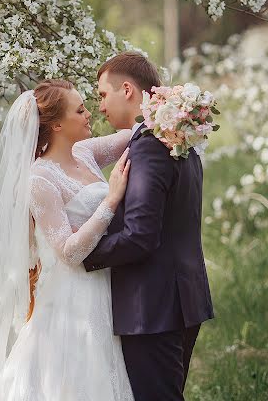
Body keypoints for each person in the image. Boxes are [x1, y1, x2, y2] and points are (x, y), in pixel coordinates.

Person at [0, 79, 135, 401]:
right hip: (72, 299)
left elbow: (132, 137)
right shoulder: (39, 179)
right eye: (80, 109)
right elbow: (68, 252)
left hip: (106, 285)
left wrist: (170, 110)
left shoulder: (85, 153)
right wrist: (111, 200)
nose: (90, 114)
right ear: (57, 124)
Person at [83, 51, 214, 401]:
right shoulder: (180, 141)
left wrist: (83, 255)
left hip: (152, 309)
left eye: (102, 95)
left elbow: (140, 236)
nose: (99, 107)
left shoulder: (150, 147)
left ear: (126, 89)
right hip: (183, 298)